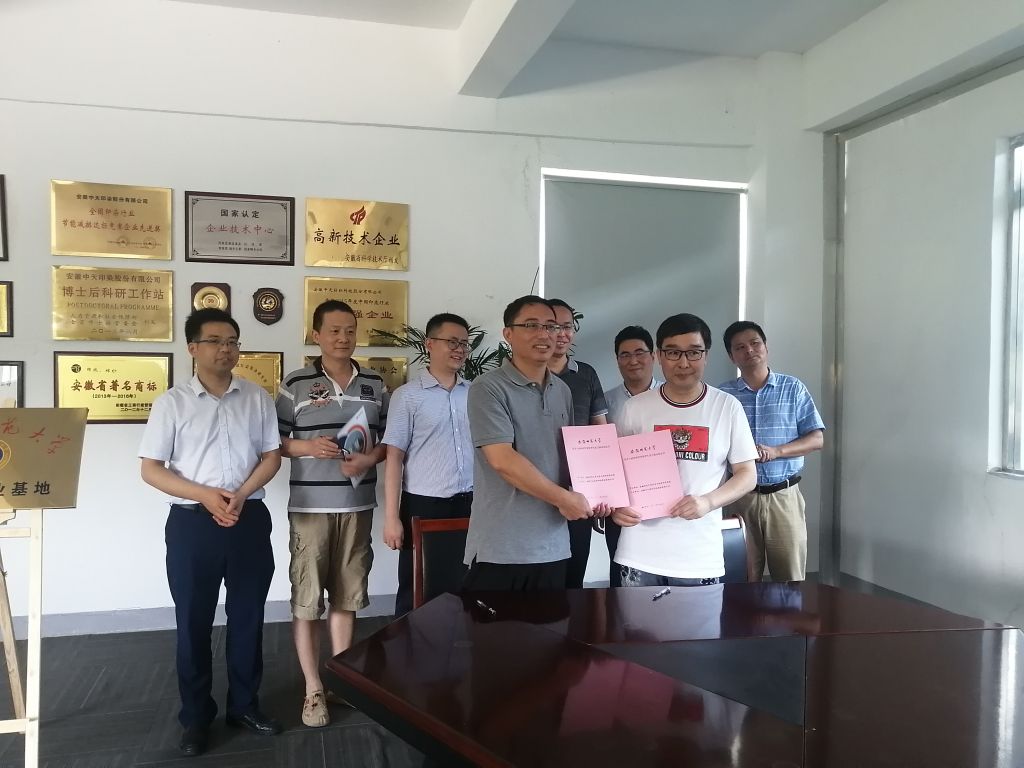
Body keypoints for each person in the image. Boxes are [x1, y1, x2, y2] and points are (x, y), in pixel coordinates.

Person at [139, 308, 282, 757]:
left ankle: (244, 706)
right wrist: (204, 495)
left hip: (248, 518)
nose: (227, 349)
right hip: (192, 526)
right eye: (216, 341)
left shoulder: (257, 397)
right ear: (193, 348)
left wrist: (241, 494)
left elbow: (272, 456)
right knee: (193, 622)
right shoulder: (172, 403)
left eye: (233, 341)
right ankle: (196, 718)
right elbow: (151, 469)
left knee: (248, 617)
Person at [276, 300, 387, 728]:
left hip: (357, 507)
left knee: (347, 596)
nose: (343, 338)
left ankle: (342, 681)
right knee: (308, 601)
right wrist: (308, 446)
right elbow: (273, 441)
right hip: (310, 509)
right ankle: (313, 690)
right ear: (316, 335)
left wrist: (369, 458)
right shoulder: (296, 382)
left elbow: (387, 443)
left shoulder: (375, 382)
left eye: (350, 330)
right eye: (334, 331)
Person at [463, 295, 606, 592]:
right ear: (508, 334)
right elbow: (503, 460)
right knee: (496, 625)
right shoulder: (488, 388)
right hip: (502, 547)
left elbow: (569, 458)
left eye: (551, 326)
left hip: (554, 545)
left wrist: (598, 494)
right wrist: (564, 499)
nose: (544, 334)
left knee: (553, 623)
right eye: (531, 325)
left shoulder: (562, 391)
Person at [613, 313, 757, 587]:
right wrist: (616, 506)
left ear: (706, 356)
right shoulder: (635, 408)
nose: (683, 362)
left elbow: (747, 474)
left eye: (693, 352)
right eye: (673, 352)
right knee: (635, 618)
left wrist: (708, 502)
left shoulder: (726, 407)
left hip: (699, 556)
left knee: (699, 619)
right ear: (659, 356)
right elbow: (616, 472)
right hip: (639, 554)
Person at [382, 312, 474, 617]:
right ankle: (408, 644)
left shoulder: (475, 393)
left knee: (465, 584)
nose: (459, 349)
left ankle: (460, 643)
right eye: (452, 342)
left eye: (465, 344)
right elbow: (394, 458)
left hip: (471, 502)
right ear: (429, 344)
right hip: (424, 505)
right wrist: (391, 518)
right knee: (417, 586)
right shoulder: (407, 396)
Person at [718, 321, 825, 581]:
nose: (749, 350)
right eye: (740, 347)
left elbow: (816, 439)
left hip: (783, 496)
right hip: (739, 497)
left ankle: (788, 612)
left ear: (766, 347)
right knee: (740, 578)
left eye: (755, 343)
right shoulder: (723, 395)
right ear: (731, 356)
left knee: (789, 578)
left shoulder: (793, 388)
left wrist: (777, 451)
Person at [547, 298, 609, 589]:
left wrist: (602, 491)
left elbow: (601, 433)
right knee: (539, 584)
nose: (562, 333)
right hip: (535, 494)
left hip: (580, 493)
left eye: (568, 326)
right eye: (554, 326)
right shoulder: (520, 378)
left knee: (573, 580)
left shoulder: (586, 374)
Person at [601, 325, 664, 585]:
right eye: (625, 355)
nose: (633, 360)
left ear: (653, 356)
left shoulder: (672, 397)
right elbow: (599, 459)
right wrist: (604, 503)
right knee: (621, 575)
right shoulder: (603, 403)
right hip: (621, 508)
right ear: (617, 360)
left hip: (666, 505)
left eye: (640, 352)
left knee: (666, 574)